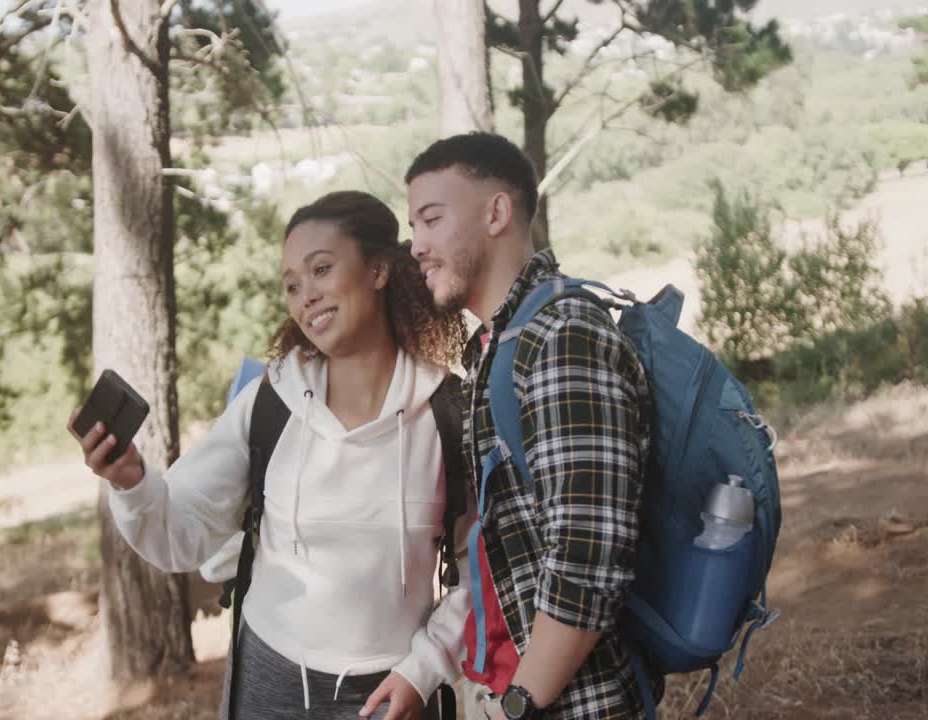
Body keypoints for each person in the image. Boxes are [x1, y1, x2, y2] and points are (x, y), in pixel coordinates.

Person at [70, 190, 472, 720]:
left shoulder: (448, 414)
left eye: (321, 269)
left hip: (392, 696)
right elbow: (179, 532)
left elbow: (485, 572)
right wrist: (132, 481)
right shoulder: (269, 400)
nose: (306, 295)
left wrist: (422, 670)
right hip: (268, 681)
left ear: (378, 269)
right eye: (291, 285)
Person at [404, 132, 653, 720]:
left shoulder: (561, 336)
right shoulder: (500, 345)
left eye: (431, 219)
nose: (416, 245)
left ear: (496, 212)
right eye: (413, 226)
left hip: (567, 705)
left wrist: (522, 704)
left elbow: (587, 558)